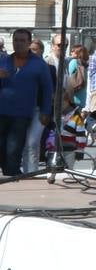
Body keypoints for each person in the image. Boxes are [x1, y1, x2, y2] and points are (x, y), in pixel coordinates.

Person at [0, 29, 53, 176]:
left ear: (29, 43)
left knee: (14, 148)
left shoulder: (39, 64)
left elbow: (48, 89)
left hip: (21, 114)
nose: (18, 43)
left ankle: (12, 175)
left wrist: (45, 111)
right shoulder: (3, 60)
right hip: (1, 111)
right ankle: (9, 172)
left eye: (22, 40)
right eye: (16, 40)